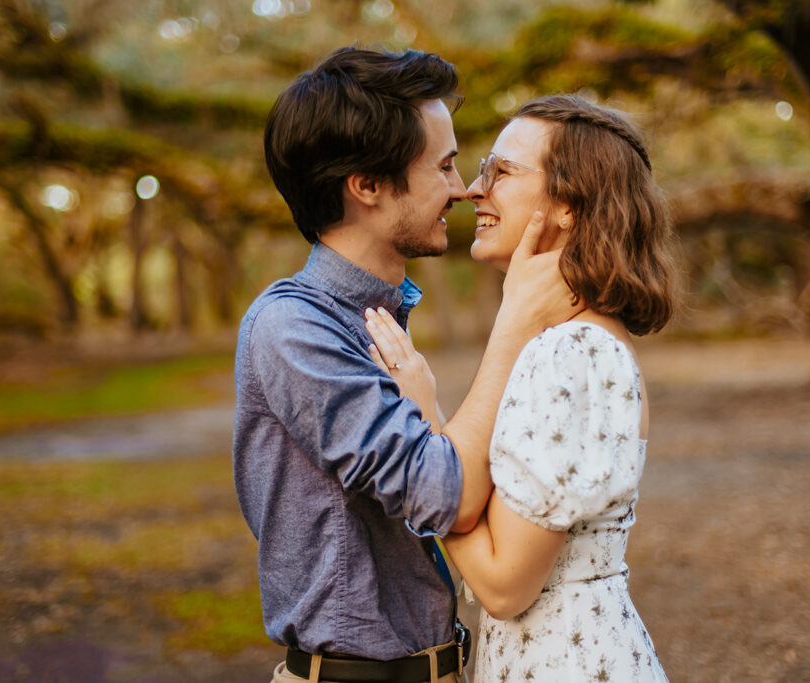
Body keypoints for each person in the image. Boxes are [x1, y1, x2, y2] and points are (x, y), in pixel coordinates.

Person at [232, 48, 576, 683]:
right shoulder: (293, 329)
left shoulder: (378, 322)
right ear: (366, 185)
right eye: (444, 166)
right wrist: (515, 320)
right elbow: (445, 493)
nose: (464, 188)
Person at [367, 94, 676, 681]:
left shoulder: (568, 353)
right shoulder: (584, 340)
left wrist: (423, 419)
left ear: (570, 206)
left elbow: (504, 586)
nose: (474, 190)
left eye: (502, 171)